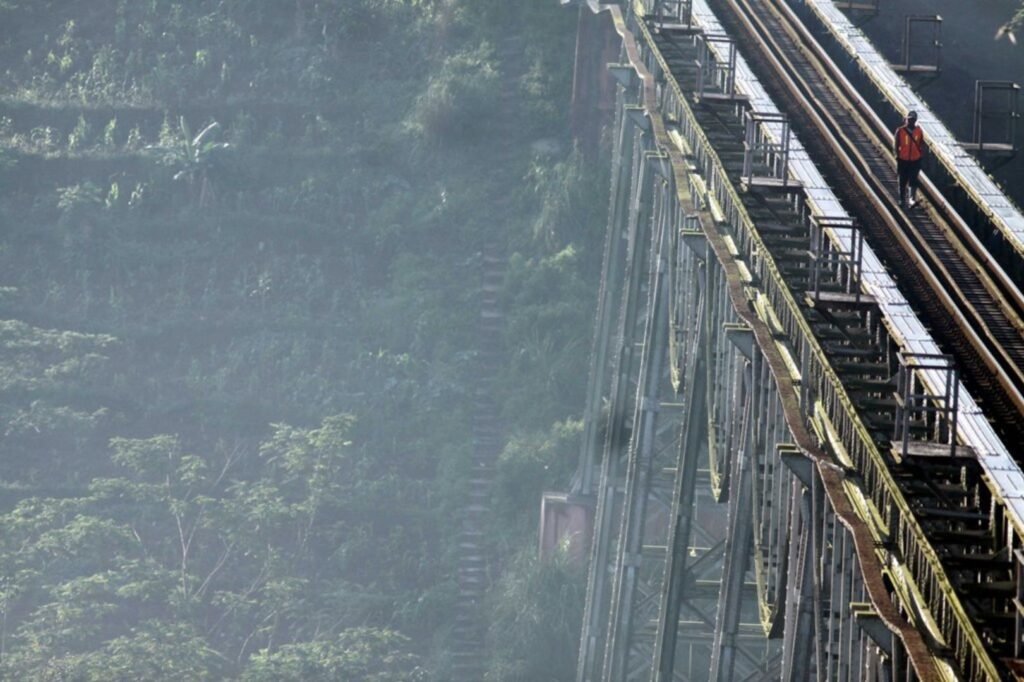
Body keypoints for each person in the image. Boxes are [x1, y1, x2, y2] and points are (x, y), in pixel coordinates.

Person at [894, 110, 925, 208]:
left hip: (915, 160)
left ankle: (912, 199)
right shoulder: (900, 131)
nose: (911, 121)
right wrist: (897, 155)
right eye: (909, 119)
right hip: (903, 160)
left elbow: (921, 144)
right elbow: (896, 145)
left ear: (915, 120)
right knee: (902, 180)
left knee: (913, 180)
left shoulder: (919, 131)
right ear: (906, 119)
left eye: (913, 120)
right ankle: (902, 199)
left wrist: (920, 156)